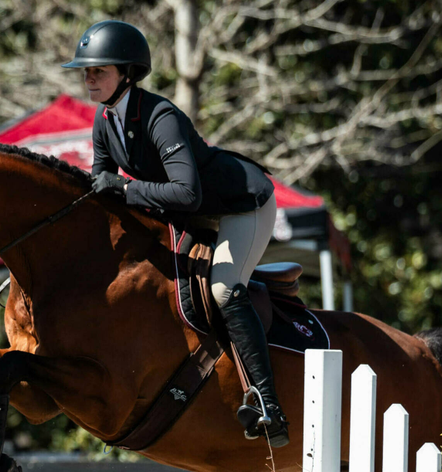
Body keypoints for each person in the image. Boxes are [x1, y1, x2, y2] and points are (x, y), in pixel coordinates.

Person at [62, 20, 288, 447]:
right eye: (85, 71)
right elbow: (101, 189)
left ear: (127, 73)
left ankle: (268, 403)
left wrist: (127, 188)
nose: (88, 78)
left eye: (98, 70)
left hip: (239, 206)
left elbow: (185, 191)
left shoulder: (160, 117)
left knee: (224, 289)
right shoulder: (105, 119)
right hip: (192, 214)